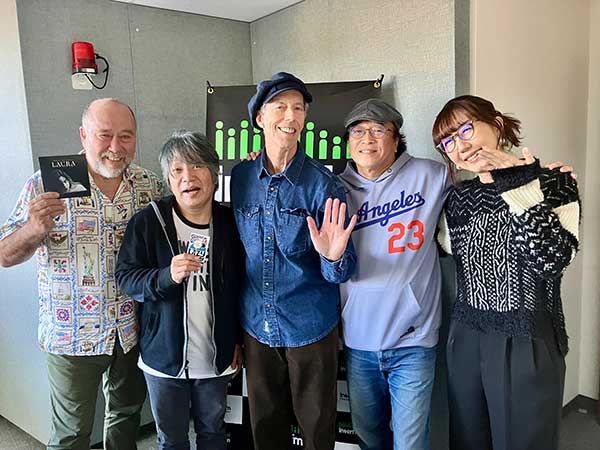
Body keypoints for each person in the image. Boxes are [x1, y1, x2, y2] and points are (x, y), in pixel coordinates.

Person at [0, 98, 164, 450]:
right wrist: (33, 228)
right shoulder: (45, 185)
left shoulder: (148, 185)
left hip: (131, 329)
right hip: (71, 333)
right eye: (105, 135)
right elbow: (4, 255)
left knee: (126, 418)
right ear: (83, 135)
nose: (116, 147)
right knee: (71, 433)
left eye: (126, 136)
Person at [432, 95, 580, 450]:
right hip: (466, 335)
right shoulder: (457, 199)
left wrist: (519, 185)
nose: (460, 146)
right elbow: (442, 249)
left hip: (527, 336)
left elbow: (553, 260)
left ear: (497, 124)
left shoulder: (553, 182)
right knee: (468, 440)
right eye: (447, 142)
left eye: (466, 130)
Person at [230, 72, 357, 450]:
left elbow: (342, 269)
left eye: (298, 108)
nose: (291, 116)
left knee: (317, 430)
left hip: (310, 326)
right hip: (256, 325)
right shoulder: (241, 177)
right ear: (260, 118)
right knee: (265, 428)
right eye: (280, 107)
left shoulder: (324, 185)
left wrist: (333, 257)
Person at [115, 130, 244, 450]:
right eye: (177, 170)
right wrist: (165, 277)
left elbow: (243, 288)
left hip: (215, 357)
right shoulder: (148, 222)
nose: (188, 176)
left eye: (197, 165)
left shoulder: (231, 223)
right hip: (163, 358)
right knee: (171, 440)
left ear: (214, 173)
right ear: (169, 180)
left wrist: (237, 340)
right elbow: (126, 278)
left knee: (213, 434)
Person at [337, 98, 450, 450]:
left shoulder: (432, 176)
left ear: (396, 138)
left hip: (413, 340)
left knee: (410, 443)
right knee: (370, 437)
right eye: (358, 131)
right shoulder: (333, 188)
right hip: (358, 341)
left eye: (377, 130)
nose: (367, 138)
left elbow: (479, 179)